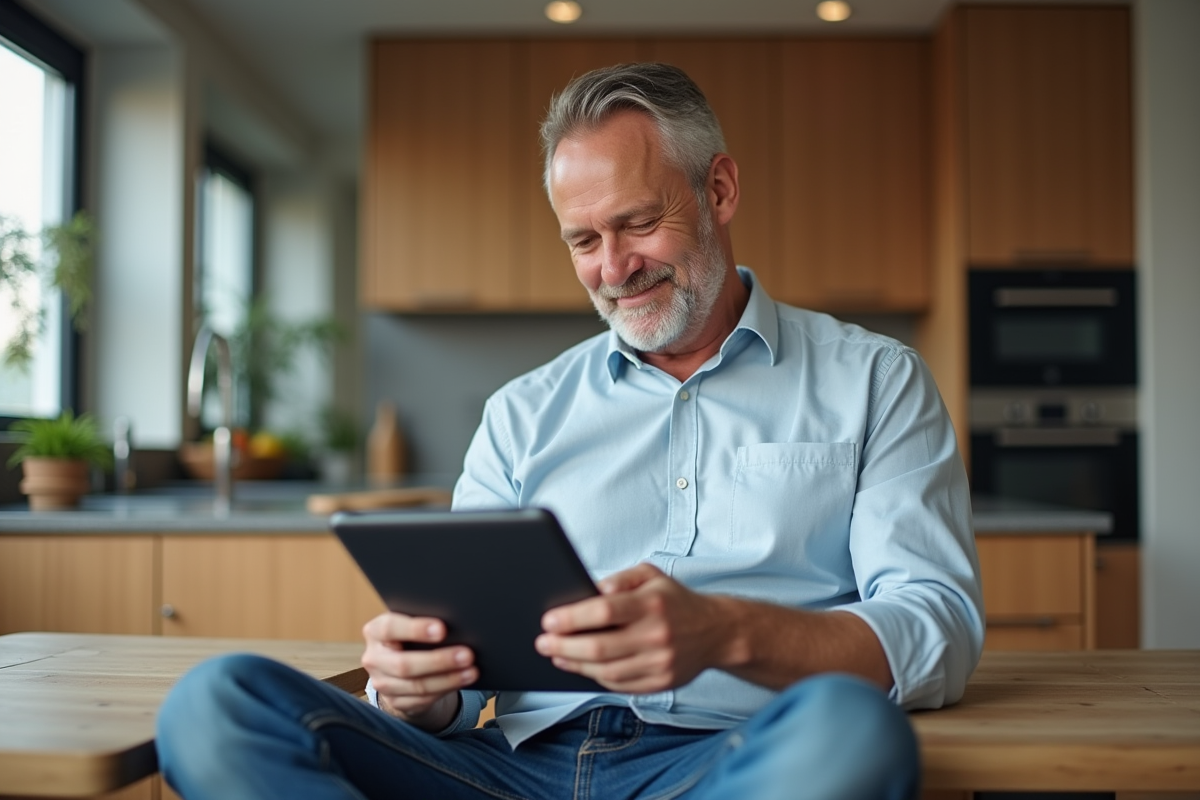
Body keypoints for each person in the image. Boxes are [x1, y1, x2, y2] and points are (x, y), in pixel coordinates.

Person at [156, 62, 984, 800]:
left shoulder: (875, 379)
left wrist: (727, 632)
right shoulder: (522, 413)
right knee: (217, 702)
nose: (613, 267)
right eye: (583, 240)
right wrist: (420, 689)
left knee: (851, 728)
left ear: (719, 191)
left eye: (637, 222)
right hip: (510, 770)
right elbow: (457, 684)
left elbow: (938, 628)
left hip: (734, 765)